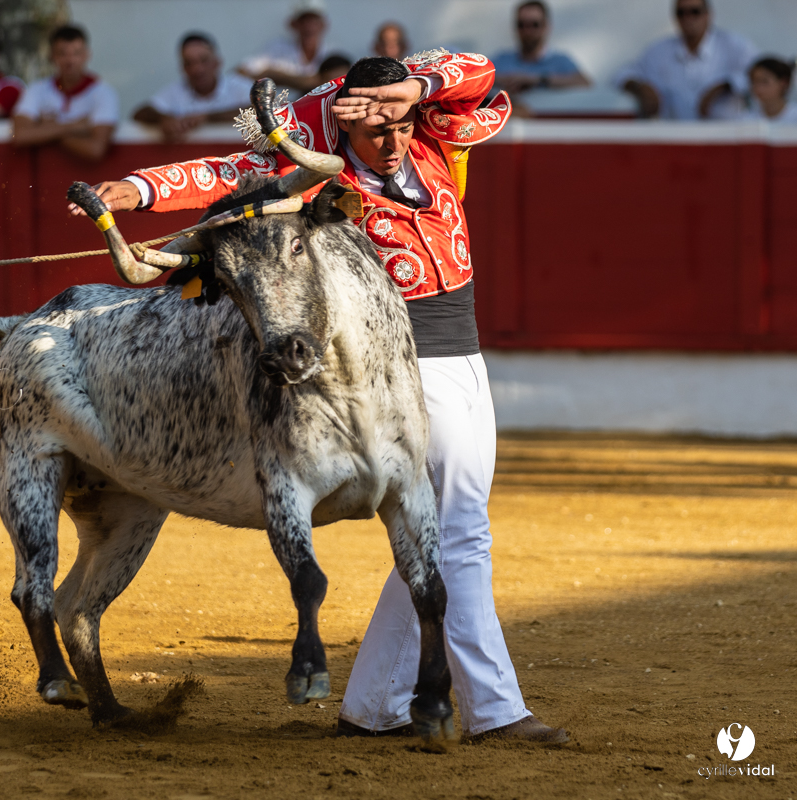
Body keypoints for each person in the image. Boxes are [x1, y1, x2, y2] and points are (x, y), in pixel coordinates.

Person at [70, 51, 568, 745]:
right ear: (344, 136)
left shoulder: (430, 139)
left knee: (442, 528)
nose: (392, 139)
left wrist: (409, 88)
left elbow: (478, 70)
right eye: (375, 130)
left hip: (465, 352)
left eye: (400, 122)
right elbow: (229, 172)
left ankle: (374, 706)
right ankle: (494, 710)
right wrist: (140, 191)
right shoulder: (320, 184)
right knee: (459, 530)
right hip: (396, 365)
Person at [617, 0, 756, 119]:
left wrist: (724, 86)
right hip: (675, 138)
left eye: (694, 12)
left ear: (708, 15)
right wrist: (640, 88)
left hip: (723, 137)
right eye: (681, 13)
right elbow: (622, 74)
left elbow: (759, 75)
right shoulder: (659, 50)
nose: (687, 18)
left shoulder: (734, 45)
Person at [12, 25, 119, 162]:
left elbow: (95, 149)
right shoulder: (38, 88)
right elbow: (20, 136)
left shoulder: (104, 93)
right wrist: (75, 126)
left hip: (86, 180)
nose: (70, 60)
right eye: (62, 53)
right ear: (52, 56)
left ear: (87, 55)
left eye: (76, 53)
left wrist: (46, 128)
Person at [132, 33, 252, 142]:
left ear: (217, 62)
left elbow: (259, 110)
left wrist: (208, 118)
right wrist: (163, 119)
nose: (197, 69)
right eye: (189, 63)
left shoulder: (240, 87)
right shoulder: (176, 91)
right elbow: (141, 112)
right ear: (182, 68)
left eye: (203, 61)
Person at [491, 1, 588, 95]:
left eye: (534, 24)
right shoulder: (503, 59)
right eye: (521, 24)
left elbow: (584, 83)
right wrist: (506, 80)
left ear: (546, 26)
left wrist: (538, 80)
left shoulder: (559, 61)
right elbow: (477, 79)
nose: (527, 31)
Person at [237, 0, 333, 93]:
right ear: (293, 24)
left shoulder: (332, 52)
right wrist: (310, 81)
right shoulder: (276, 48)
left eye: (314, 21)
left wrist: (275, 76)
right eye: (303, 21)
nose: (308, 27)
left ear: (323, 25)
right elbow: (240, 72)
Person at [745, 57, 797, 123]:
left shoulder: (794, 117)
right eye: (754, 82)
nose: (758, 88)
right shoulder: (746, 119)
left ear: (783, 83)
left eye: (764, 81)